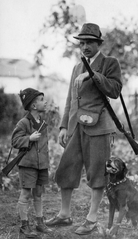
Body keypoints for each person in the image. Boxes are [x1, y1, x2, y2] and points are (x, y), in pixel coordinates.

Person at [46, 23, 122, 235]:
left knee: (98, 172)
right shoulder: (76, 67)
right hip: (76, 126)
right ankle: (64, 214)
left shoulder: (109, 63)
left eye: (89, 42)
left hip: (99, 126)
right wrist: (63, 126)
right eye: (82, 42)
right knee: (66, 169)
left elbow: (115, 90)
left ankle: (91, 218)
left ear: (98, 43)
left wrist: (93, 75)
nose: (85, 46)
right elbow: (70, 99)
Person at [11, 88, 52, 237]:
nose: (45, 101)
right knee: (25, 194)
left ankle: (40, 223)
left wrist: (46, 162)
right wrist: (28, 138)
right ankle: (24, 226)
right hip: (28, 164)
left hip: (41, 165)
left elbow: (44, 146)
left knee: (39, 194)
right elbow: (14, 141)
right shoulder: (24, 122)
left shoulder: (43, 123)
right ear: (34, 106)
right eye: (42, 100)